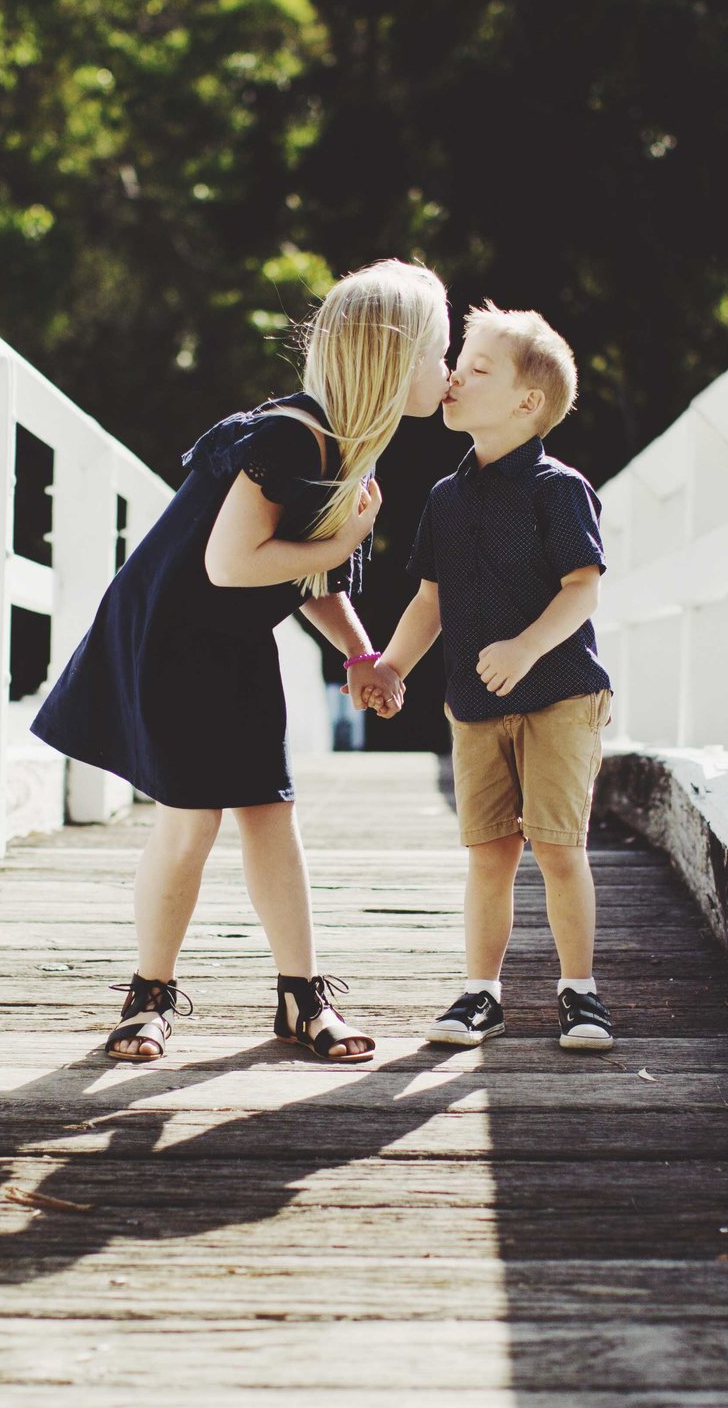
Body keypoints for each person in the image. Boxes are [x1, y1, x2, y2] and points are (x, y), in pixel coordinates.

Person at [33, 259, 452, 1063]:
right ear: (391, 359)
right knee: (192, 822)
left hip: (233, 643)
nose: (447, 369)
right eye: (437, 351)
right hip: (172, 641)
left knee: (271, 814)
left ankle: (301, 997)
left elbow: (305, 575)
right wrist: (348, 538)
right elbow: (233, 562)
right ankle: (148, 994)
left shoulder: (345, 450)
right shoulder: (294, 435)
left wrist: (363, 653)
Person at [356, 305, 616, 1051]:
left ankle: (580, 992)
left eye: (476, 368)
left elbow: (582, 587)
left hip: (560, 693)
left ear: (526, 402)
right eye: (457, 363)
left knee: (559, 847)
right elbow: (431, 599)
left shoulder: (558, 488)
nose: (454, 377)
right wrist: (392, 663)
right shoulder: (445, 496)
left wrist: (527, 647)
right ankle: (482, 994)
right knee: (489, 854)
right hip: (473, 706)